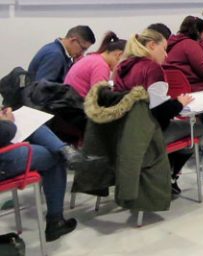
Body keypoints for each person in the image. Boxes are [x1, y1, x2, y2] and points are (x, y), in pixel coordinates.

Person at [113, 28, 200, 195]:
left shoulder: (122, 66)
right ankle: (171, 175)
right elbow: (160, 111)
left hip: (123, 131)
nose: (166, 55)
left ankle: (165, 172)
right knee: (197, 129)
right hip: (148, 132)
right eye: (164, 49)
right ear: (152, 45)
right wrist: (179, 103)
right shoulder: (153, 69)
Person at [0, 107, 98, 241]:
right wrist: (7, 122)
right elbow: (4, 132)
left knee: (33, 126)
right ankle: (55, 221)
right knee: (56, 157)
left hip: (4, 150)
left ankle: (67, 152)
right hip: (4, 158)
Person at [165, 16, 203, 91]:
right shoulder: (190, 44)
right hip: (193, 86)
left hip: (179, 85)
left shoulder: (175, 42)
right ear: (198, 32)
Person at [64, 31, 126, 97]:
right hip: (76, 105)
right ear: (119, 55)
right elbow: (100, 97)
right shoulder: (101, 66)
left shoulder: (93, 58)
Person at [28, 25, 96, 83]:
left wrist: (75, 67)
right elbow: (43, 90)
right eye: (83, 48)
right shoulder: (55, 55)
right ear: (73, 40)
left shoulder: (58, 51)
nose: (82, 53)